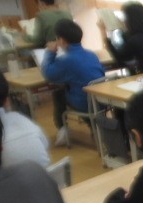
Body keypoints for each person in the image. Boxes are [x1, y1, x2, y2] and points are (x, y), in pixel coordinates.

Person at [42, 18, 104, 146]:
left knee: (58, 94)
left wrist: (49, 53)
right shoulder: (91, 54)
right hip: (100, 100)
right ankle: (93, 126)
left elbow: (48, 74)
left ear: (61, 40)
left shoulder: (66, 60)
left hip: (85, 103)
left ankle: (62, 130)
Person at [98, 1, 143, 74]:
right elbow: (124, 46)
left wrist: (103, 33)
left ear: (131, 19)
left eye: (125, 17)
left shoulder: (135, 40)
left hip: (142, 76)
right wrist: (121, 29)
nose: (123, 20)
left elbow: (120, 59)